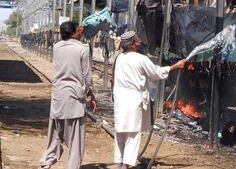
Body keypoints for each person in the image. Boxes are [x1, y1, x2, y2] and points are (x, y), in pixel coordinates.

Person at [112, 31, 185, 169]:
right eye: (138, 40)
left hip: (120, 99)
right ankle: (126, 165)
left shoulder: (119, 58)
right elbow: (156, 73)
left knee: (120, 131)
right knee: (133, 133)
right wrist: (175, 66)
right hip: (133, 100)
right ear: (132, 44)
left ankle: (118, 163)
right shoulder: (141, 59)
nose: (140, 42)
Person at [39, 21, 97, 169]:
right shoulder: (82, 49)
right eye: (79, 29)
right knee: (75, 138)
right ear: (73, 33)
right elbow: (87, 77)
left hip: (58, 95)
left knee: (55, 134)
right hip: (75, 98)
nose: (81, 31)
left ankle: (46, 162)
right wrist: (91, 96)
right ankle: (73, 166)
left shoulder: (57, 47)